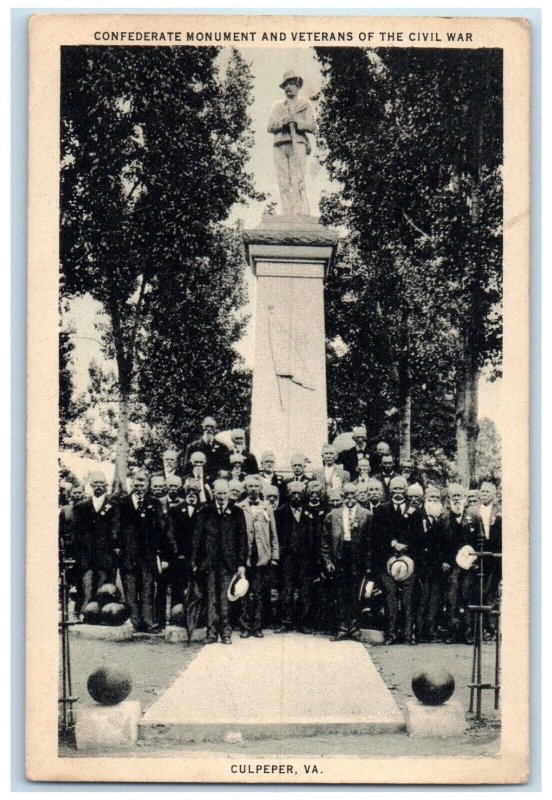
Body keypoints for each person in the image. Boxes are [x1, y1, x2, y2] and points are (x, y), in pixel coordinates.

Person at [115, 469, 177, 633]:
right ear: (132, 482)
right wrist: (118, 547)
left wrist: (162, 555)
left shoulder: (154, 503)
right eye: (137, 481)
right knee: (130, 590)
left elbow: (162, 531)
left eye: (143, 481)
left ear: (147, 484)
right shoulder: (123, 503)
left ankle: (148, 622)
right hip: (128, 555)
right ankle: (136, 623)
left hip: (148, 556)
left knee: (148, 589)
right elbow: (116, 528)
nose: (139, 485)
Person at [370, 477, 419, 644]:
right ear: (389, 491)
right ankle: (390, 635)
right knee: (390, 598)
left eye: (401, 489)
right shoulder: (381, 510)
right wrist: (393, 544)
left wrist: (406, 545)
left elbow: (420, 536)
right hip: (386, 562)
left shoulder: (415, 510)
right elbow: (377, 535)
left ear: (406, 490)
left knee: (408, 599)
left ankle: (407, 635)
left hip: (409, 562)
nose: (398, 492)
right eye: (394, 489)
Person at [321, 483, 371, 641]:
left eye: (353, 494)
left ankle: (355, 629)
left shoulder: (367, 515)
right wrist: (328, 560)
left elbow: (371, 542)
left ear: (358, 495)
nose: (350, 497)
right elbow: (325, 541)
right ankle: (342, 628)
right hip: (340, 557)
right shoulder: (332, 515)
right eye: (346, 494)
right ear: (342, 496)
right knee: (340, 593)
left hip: (358, 559)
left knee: (356, 594)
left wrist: (368, 564)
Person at [267, 69, 316, 216]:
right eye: (287, 84)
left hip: (298, 144)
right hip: (280, 144)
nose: (289, 87)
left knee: (297, 179)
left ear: (298, 86)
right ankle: (287, 212)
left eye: (292, 84)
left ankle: (300, 211)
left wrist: (297, 122)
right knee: (283, 181)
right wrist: (283, 122)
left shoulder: (304, 104)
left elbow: (312, 126)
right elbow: (270, 126)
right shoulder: (277, 107)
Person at [238, 475, 279, 638]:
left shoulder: (267, 507)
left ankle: (257, 626)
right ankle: (245, 626)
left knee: (259, 592)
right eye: (250, 486)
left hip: (262, 556)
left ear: (260, 488)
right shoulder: (240, 507)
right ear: (246, 489)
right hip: (246, 556)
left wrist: (274, 556)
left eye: (256, 486)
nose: (253, 489)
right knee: (245, 592)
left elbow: (273, 533)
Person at [72, 472, 118, 613]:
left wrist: (114, 547)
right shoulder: (81, 507)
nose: (98, 486)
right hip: (86, 555)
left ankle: (100, 616)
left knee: (103, 588)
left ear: (106, 485)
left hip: (105, 555)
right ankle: (84, 614)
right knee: (86, 586)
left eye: (101, 483)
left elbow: (116, 529)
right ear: (91, 485)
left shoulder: (114, 506)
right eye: (95, 483)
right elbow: (76, 533)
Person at [274, 481, 314, 633]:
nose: (296, 496)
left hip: (306, 558)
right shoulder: (280, 512)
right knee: (287, 590)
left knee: (305, 590)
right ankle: (286, 621)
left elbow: (315, 536)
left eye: (299, 493)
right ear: (288, 494)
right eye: (293, 493)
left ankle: (303, 622)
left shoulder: (310, 512)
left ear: (304, 495)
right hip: (287, 559)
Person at [413, 485, 448, 642]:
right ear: (424, 500)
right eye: (430, 499)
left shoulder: (444, 520)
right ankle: (419, 632)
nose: (433, 501)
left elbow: (445, 544)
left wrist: (442, 561)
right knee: (422, 599)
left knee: (434, 599)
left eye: (436, 499)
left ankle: (431, 630)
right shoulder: (416, 516)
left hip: (436, 567)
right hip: (421, 566)